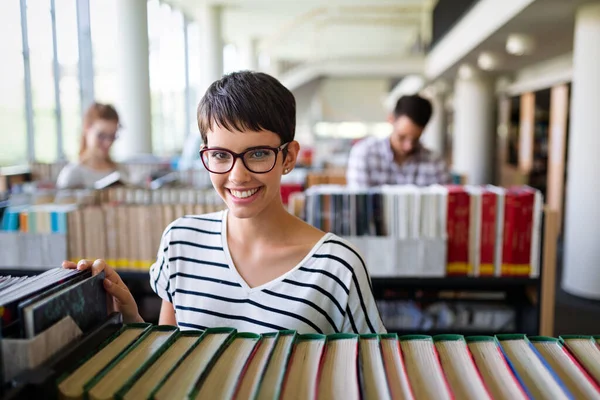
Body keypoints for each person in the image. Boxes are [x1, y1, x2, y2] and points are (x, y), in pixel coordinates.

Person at [63, 71, 386, 335]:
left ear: (288, 157)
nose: (238, 175)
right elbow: (169, 362)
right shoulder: (180, 241)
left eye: (258, 154)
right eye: (220, 155)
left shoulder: (336, 267)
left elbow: (372, 374)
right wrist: (129, 317)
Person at [346, 94, 451, 187]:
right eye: (402, 137)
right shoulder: (364, 154)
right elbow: (359, 205)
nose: (408, 146)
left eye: (415, 139)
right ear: (391, 119)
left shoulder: (435, 162)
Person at [56, 102, 127, 189]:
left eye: (112, 136)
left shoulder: (121, 171)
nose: (107, 142)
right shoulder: (72, 174)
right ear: (86, 128)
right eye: (101, 136)